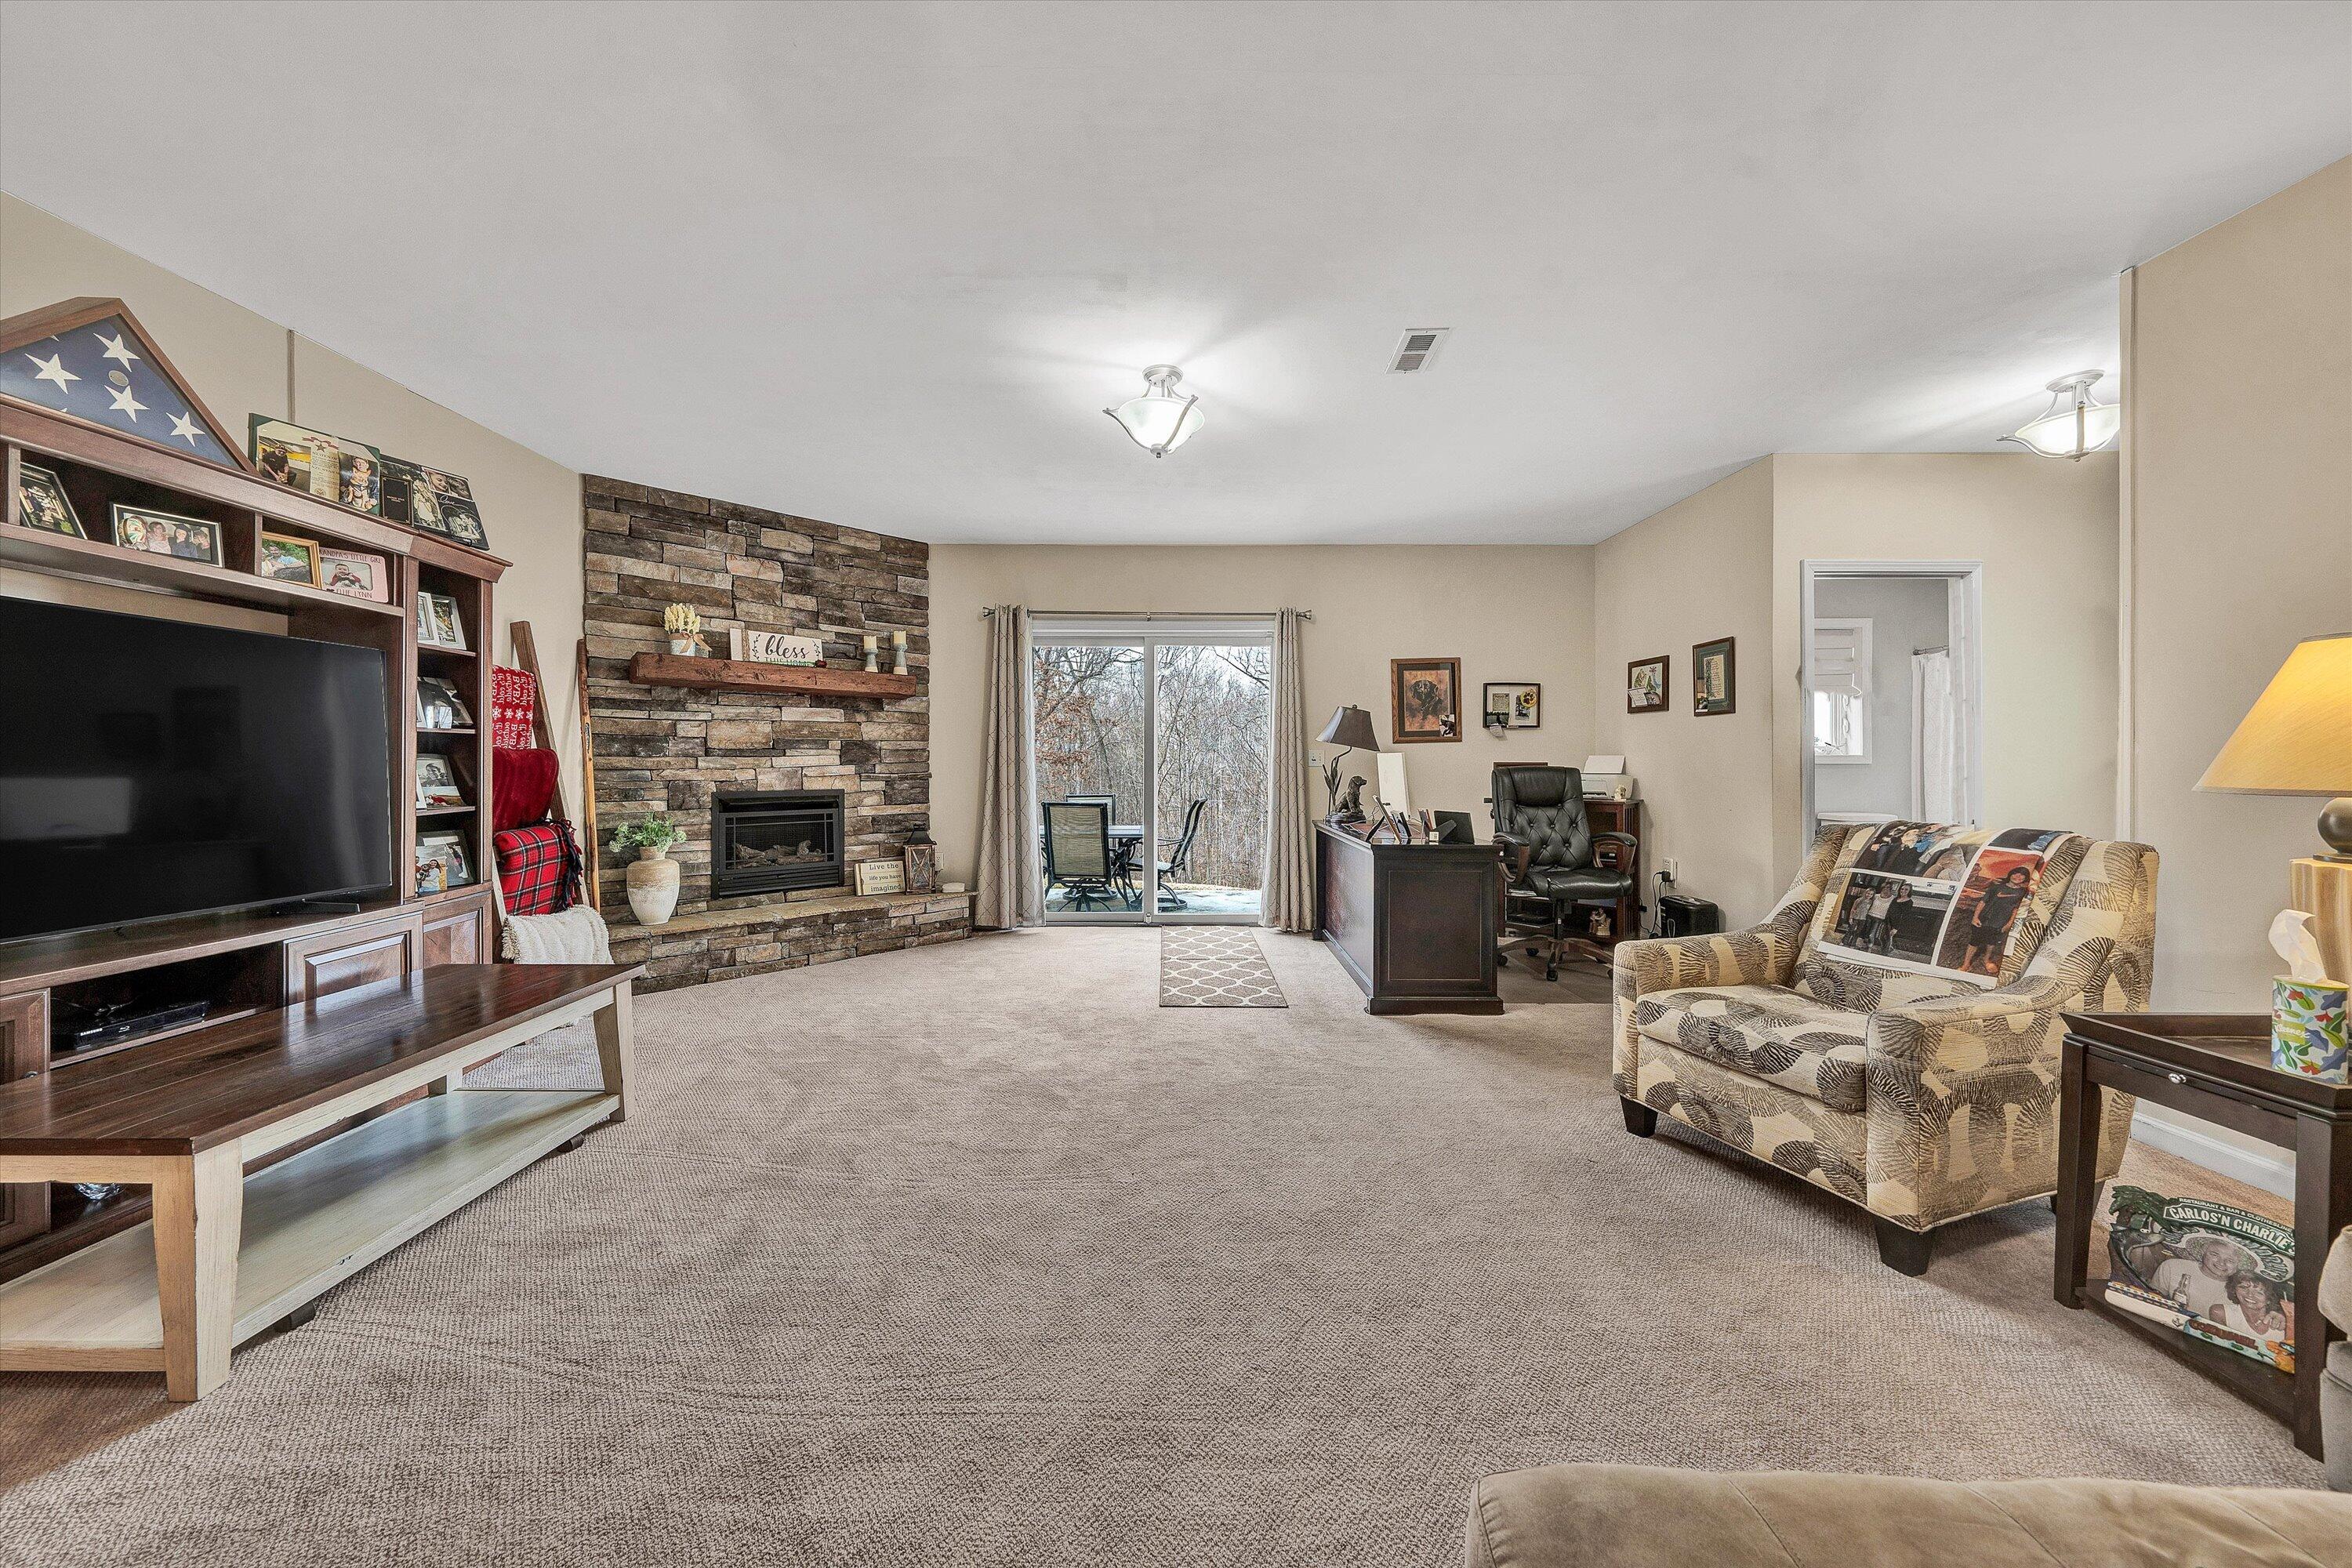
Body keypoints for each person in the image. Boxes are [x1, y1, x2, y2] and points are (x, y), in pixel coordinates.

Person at [2146, 1236, 2256, 1319]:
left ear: (2238, 1265)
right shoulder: (2172, 1266)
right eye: (2215, 1255)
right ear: (2203, 1252)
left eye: (2230, 1260)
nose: (2222, 1263)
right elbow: (2151, 1301)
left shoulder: (2245, 1293)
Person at [1958, 865, 2034, 973]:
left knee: (1992, 943)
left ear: (2025, 878)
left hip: (2000, 923)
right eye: (2015, 873)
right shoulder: (1996, 888)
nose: (2018, 876)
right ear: (2010, 874)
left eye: (2022, 875)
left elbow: (2015, 910)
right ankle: (1966, 964)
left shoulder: (2022, 893)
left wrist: (2009, 924)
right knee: (1974, 942)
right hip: (1983, 920)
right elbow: (1982, 902)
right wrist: (1975, 918)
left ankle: (1986, 960)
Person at [2217, 1272, 2290, 1345]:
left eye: (2259, 1292)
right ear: (2234, 1289)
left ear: (2270, 1299)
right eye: (2244, 1287)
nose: (2250, 1294)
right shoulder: (2221, 1313)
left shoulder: (2281, 1321)